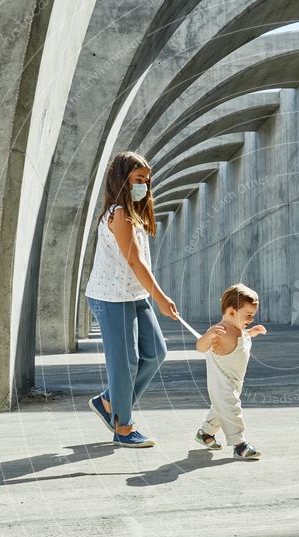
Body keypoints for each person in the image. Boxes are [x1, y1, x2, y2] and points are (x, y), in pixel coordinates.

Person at [85, 151, 179, 447]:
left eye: (147, 181)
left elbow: (139, 266)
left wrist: (152, 296)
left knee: (155, 353)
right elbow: (135, 263)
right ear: (121, 180)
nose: (144, 186)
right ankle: (123, 428)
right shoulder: (119, 214)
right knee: (125, 364)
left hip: (133, 295)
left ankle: (109, 402)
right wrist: (161, 298)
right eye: (139, 180)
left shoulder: (133, 214)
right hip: (111, 298)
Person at [194, 283, 266, 460]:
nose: (251, 319)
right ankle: (239, 445)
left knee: (220, 409)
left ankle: (205, 434)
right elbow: (201, 347)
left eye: (253, 316)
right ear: (232, 311)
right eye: (248, 315)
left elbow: (240, 338)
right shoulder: (220, 331)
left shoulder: (238, 329)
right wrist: (208, 336)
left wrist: (251, 332)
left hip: (234, 381)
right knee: (231, 409)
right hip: (221, 383)